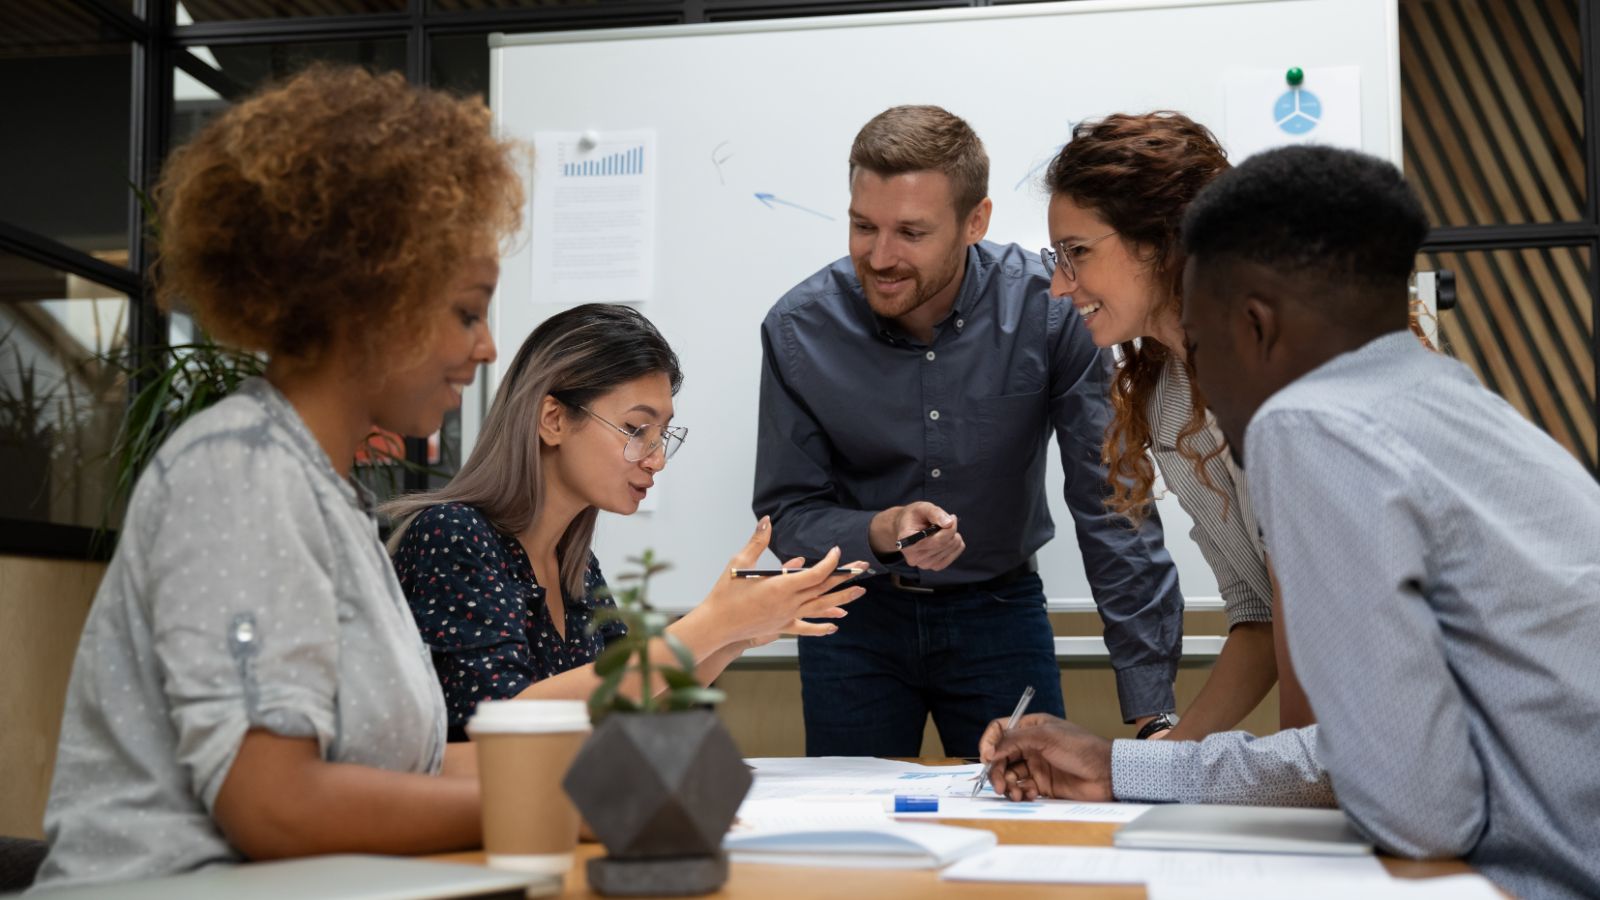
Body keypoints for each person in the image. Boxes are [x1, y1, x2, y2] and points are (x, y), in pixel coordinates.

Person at [30, 67, 851, 889]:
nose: (489, 348)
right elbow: (274, 807)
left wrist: (639, 772)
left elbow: (428, 768)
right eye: (466, 311)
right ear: (367, 301)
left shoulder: (322, 490)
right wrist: (579, 806)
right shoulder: (239, 472)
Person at [980, 145, 1600, 900]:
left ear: (1254, 327)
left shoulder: (1306, 425)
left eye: (1199, 342)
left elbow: (1413, 803)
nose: (1195, 378)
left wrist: (1129, 766)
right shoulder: (1450, 400)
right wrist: (1136, 763)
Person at [753, 104, 1186, 759]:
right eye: (862, 226)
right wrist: (880, 530)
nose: (880, 256)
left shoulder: (1053, 311)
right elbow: (788, 513)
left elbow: (1111, 502)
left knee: (1026, 820)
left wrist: (1154, 709)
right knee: (854, 835)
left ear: (974, 222)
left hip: (999, 613)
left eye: (911, 232)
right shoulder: (798, 329)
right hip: (852, 615)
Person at [385, 303, 865, 741]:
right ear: (552, 419)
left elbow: (628, 710)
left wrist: (734, 637)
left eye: (663, 435)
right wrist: (712, 625)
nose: (656, 460)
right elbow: (506, 723)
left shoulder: (572, 562)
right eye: (637, 430)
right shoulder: (452, 535)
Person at [1040, 111, 1310, 737]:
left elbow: (1311, 628)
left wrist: (1301, 792)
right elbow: (1261, 613)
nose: (1059, 285)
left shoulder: (1278, 372)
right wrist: (1166, 757)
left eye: (1076, 253)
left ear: (1163, 240)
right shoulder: (1168, 397)